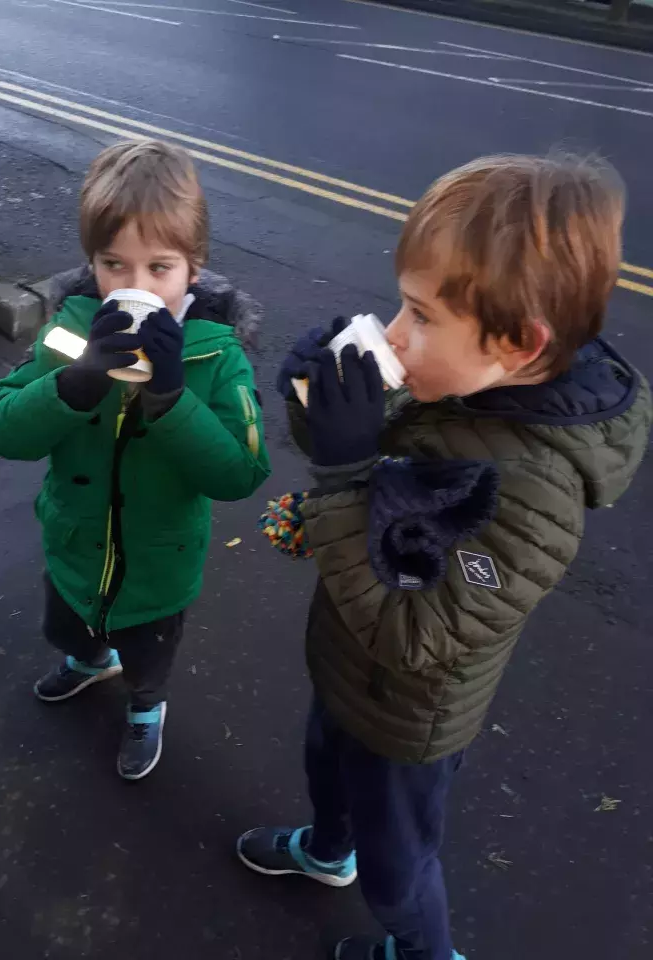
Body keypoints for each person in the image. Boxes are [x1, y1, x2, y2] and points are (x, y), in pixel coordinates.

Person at [237, 154, 652, 960]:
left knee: (398, 867)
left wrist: (344, 471)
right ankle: (328, 853)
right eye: (402, 305)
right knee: (325, 764)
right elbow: (353, 458)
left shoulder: (535, 492)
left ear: (519, 342)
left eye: (420, 316)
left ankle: (423, 951)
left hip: (407, 713)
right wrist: (314, 405)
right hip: (344, 662)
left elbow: (413, 636)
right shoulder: (454, 382)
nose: (396, 334)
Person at [0, 140, 270, 780]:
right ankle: (89, 662)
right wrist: (72, 385)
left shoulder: (217, 357)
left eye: (160, 268)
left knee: (147, 656)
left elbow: (239, 474)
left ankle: (146, 708)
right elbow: (3, 430)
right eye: (114, 264)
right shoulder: (70, 331)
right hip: (75, 545)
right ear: (91, 263)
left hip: (157, 571)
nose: (135, 287)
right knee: (71, 625)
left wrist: (170, 401)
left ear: (193, 270)